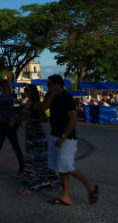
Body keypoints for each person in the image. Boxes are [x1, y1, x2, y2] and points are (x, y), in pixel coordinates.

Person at [43, 75, 98, 205]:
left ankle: (90, 186)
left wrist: (63, 136)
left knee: (67, 166)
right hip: (55, 135)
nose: (48, 86)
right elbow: (42, 108)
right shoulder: (50, 97)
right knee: (60, 167)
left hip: (67, 138)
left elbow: (73, 119)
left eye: (50, 84)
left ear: (58, 85)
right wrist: (51, 94)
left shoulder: (67, 98)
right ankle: (65, 195)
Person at [17, 83, 60, 194]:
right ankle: (39, 182)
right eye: (25, 90)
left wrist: (31, 120)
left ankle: (31, 185)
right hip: (30, 133)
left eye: (27, 90)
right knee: (33, 159)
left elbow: (45, 119)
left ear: (32, 92)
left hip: (37, 133)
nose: (25, 92)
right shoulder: (27, 103)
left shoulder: (36, 104)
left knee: (35, 159)